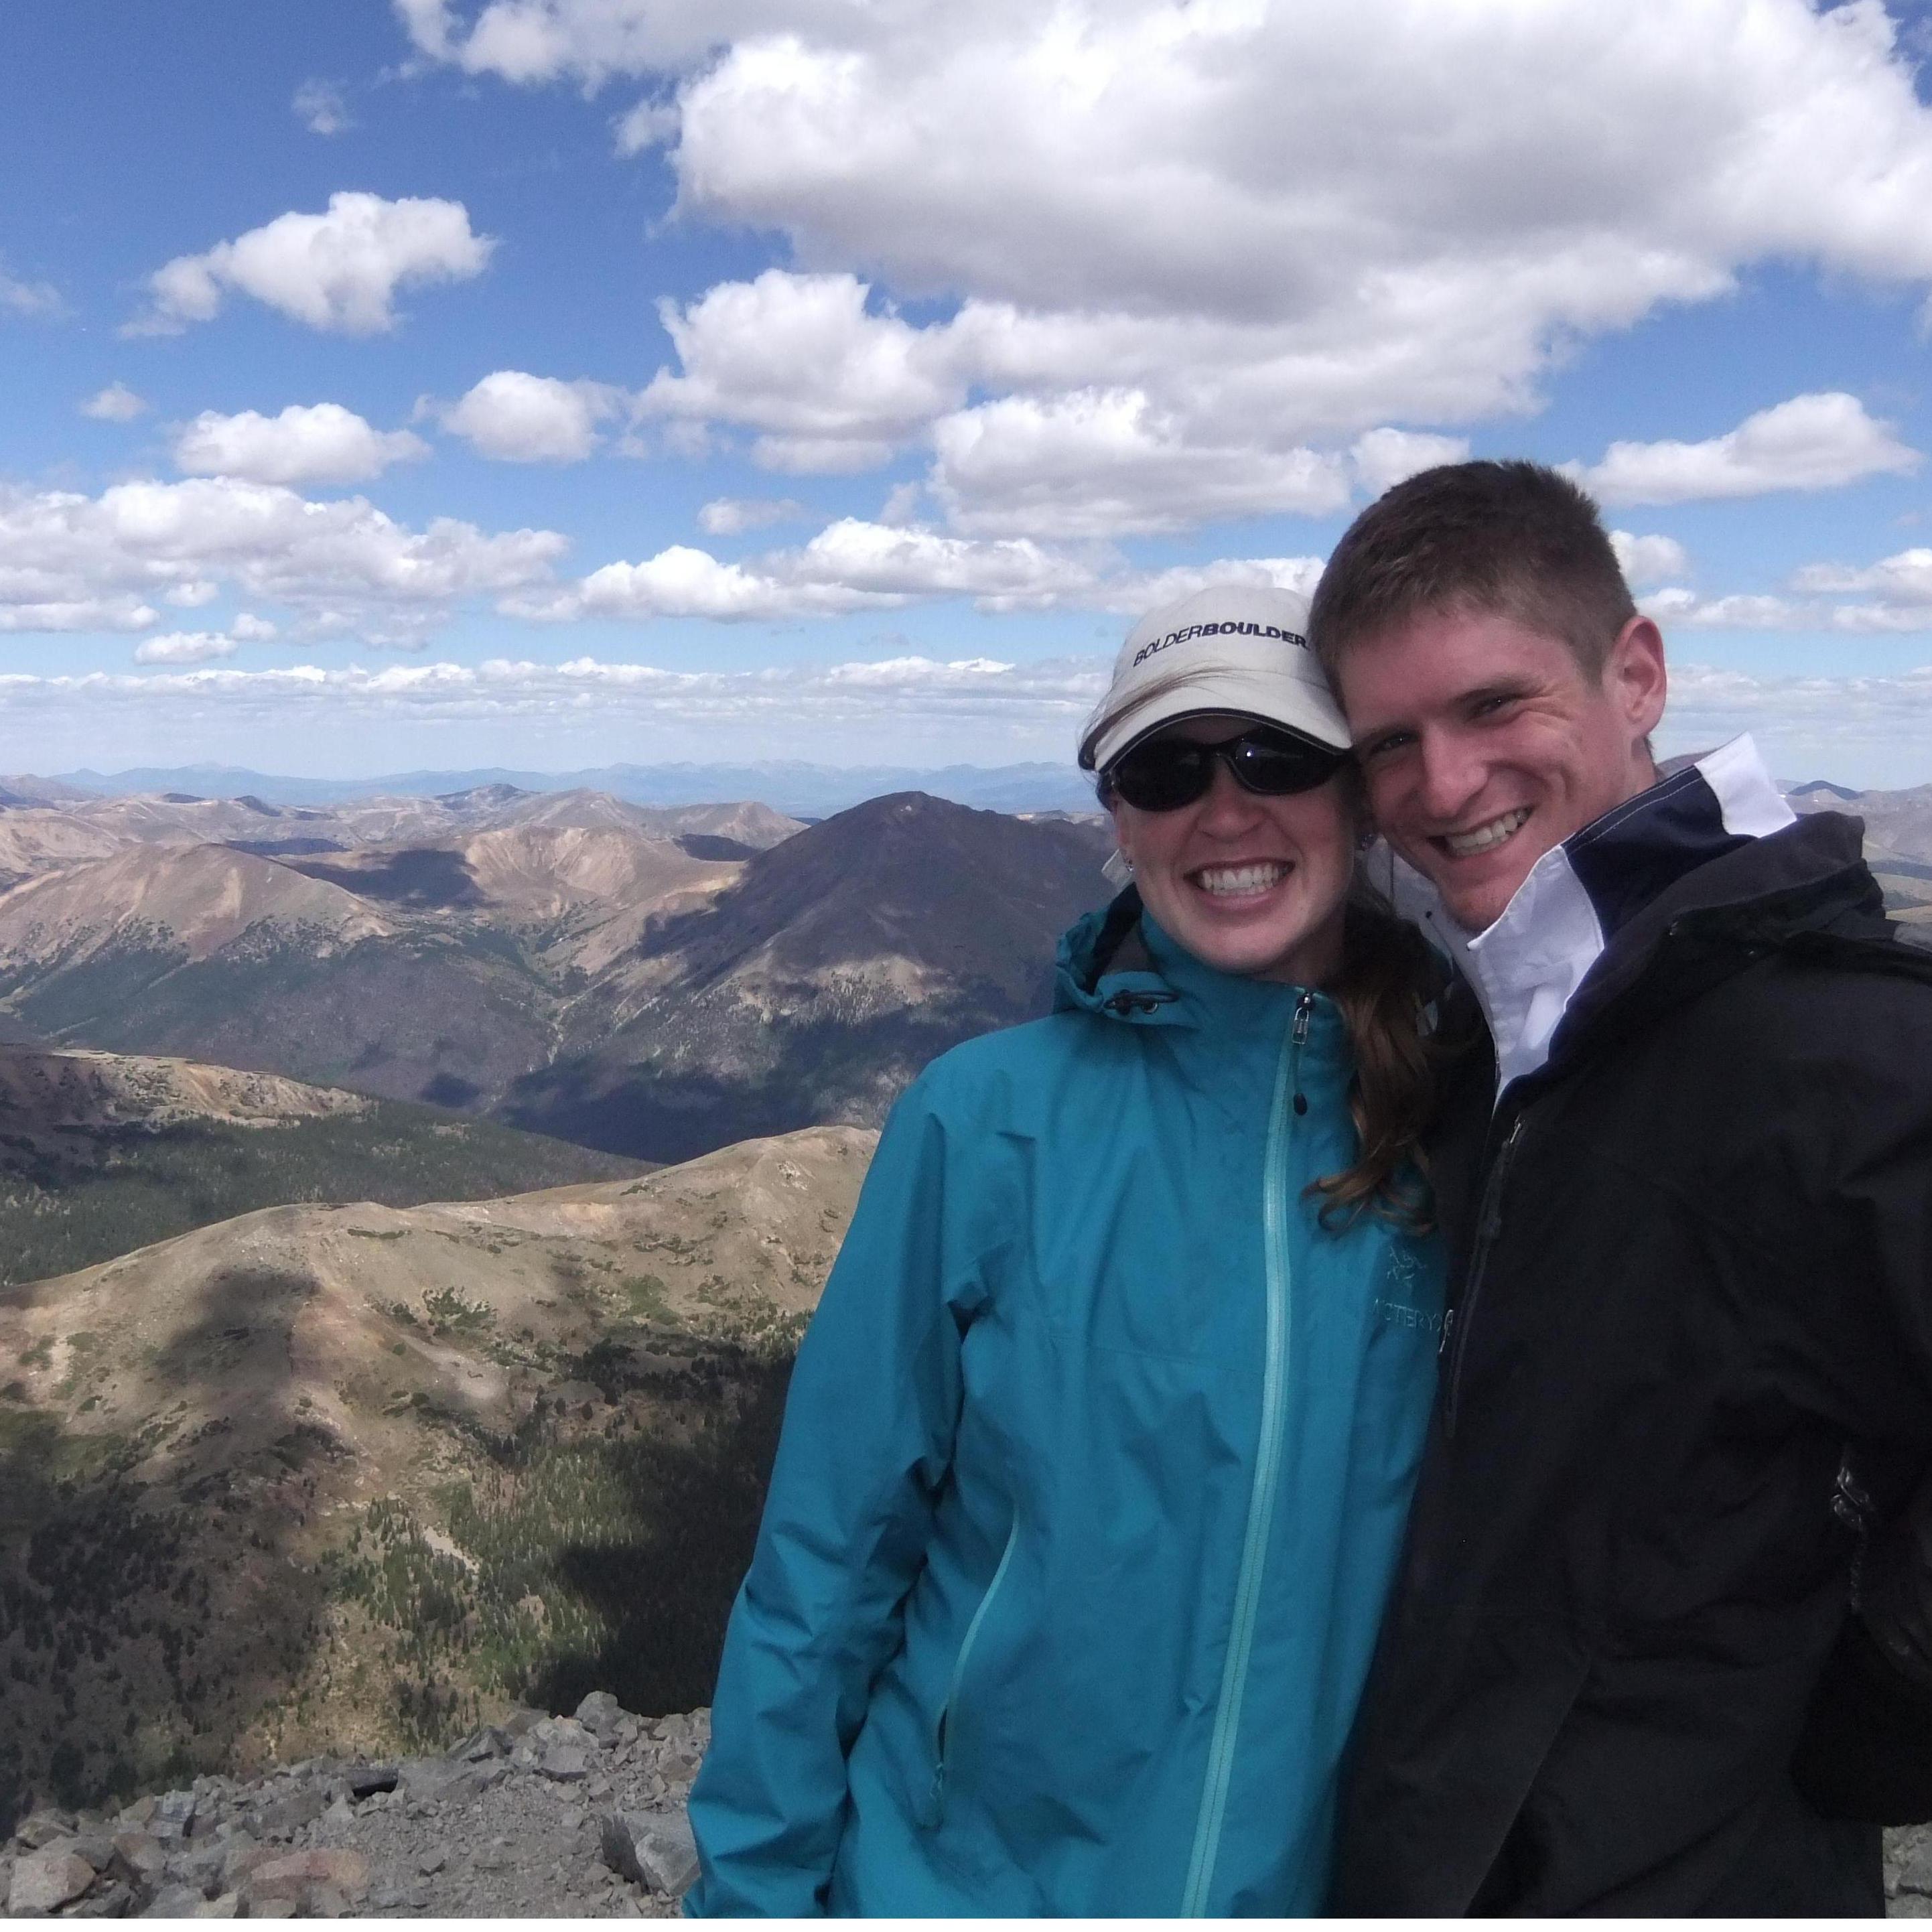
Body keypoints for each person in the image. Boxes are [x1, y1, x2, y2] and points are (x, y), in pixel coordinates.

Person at [683, 586, 1447, 1915]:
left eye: (1274, 758)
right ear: (1116, 818)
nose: (1223, 810)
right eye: (1162, 768)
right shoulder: (978, 1119)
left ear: (1359, 797)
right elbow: (826, 1554)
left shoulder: (1461, 1124)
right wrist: (749, 1893)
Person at [1308, 459, 1932, 1916]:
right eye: (1387, 740)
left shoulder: (1846, 1051)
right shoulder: (1507, 1039)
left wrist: (1867, 1720)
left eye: (1491, 705)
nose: (1441, 784)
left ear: (1633, 672)